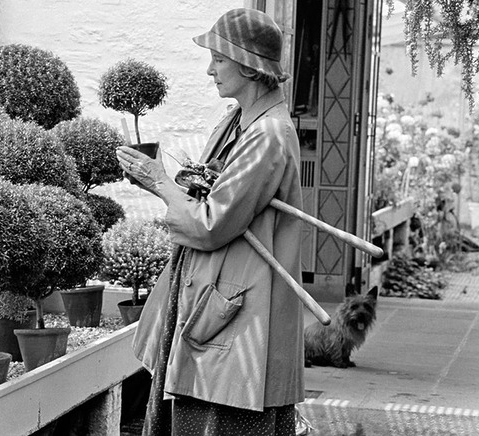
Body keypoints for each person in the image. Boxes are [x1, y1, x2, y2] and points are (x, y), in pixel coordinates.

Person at [116, 8, 304, 436]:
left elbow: (210, 225)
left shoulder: (269, 134)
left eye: (218, 59)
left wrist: (160, 181)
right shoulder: (238, 120)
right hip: (210, 304)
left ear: (248, 66)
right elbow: (213, 202)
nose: (209, 70)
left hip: (239, 323)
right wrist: (162, 183)